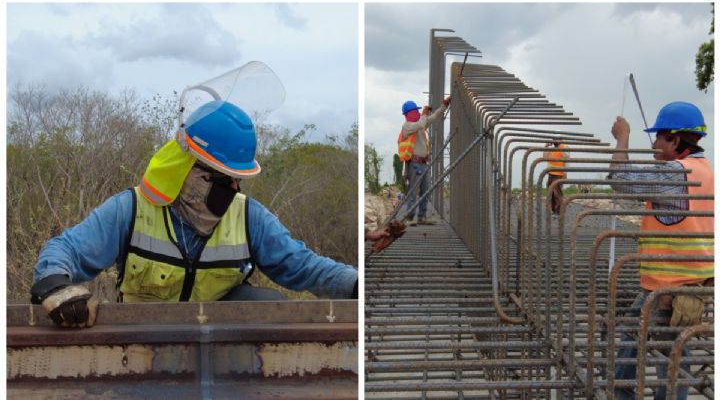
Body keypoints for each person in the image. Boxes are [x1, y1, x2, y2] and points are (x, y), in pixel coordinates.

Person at [30, 100, 359, 328]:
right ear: (185, 169)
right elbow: (66, 249)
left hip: (220, 344)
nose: (230, 190)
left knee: (262, 301)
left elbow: (303, 266)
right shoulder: (131, 210)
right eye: (218, 177)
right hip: (142, 338)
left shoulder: (248, 217)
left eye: (235, 179)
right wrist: (56, 285)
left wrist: (356, 284)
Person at [608, 101, 713, 400]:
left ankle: (621, 393)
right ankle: (620, 392)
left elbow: (620, 181)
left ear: (676, 140)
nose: (653, 143)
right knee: (661, 352)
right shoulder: (703, 170)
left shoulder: (677, 174)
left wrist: (622, 138)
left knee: (667, 359)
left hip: (670, 288)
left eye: (658, 137)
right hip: (687, 283)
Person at [397, 97, 450, 226]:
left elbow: (433, 118)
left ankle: (422, 216)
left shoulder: (419, 125)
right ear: (408, 114)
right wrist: (425, 113)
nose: (416, 113)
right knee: (413, 191)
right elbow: (422, 122)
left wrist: (443, 106)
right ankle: (410, 218)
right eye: (414, 111)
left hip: (423, 163)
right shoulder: (407, 127)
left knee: (425, 190)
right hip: (414, 164)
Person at [542, 141, 568, 215]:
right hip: (550, 173)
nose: (555, 141)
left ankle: (559, 210)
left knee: (557, 192)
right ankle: (553, 209)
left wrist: (565, 173)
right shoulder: (552, 149)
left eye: (557, 139)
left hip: (558, 174)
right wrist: (546, 147)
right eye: (554, 139)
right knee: (551, 192)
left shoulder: (564, 147)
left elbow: (566, 156)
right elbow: (545, 157)